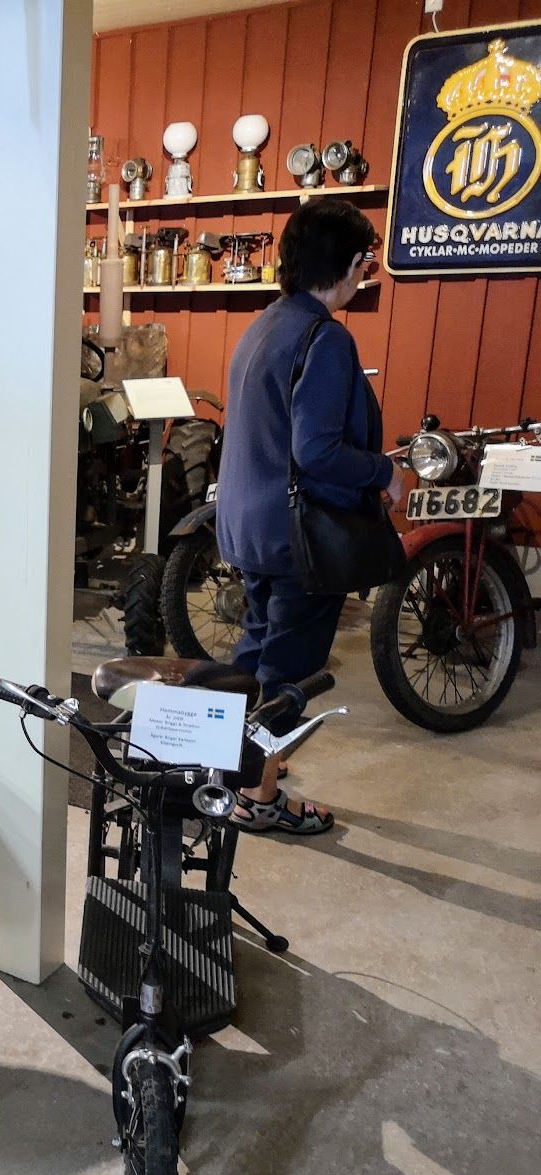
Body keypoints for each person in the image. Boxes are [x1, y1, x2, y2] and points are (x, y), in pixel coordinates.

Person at [215, 198, 401, 835]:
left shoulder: (266, 324)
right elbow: (317, 450)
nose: (366, 273)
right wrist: (383, 472)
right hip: (298, 538)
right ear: (348, 264)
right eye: (365, 261)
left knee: (254, 655)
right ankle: (258, 797)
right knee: (288, 672)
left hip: (251, 526)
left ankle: (238, 766)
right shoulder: (327, 338)